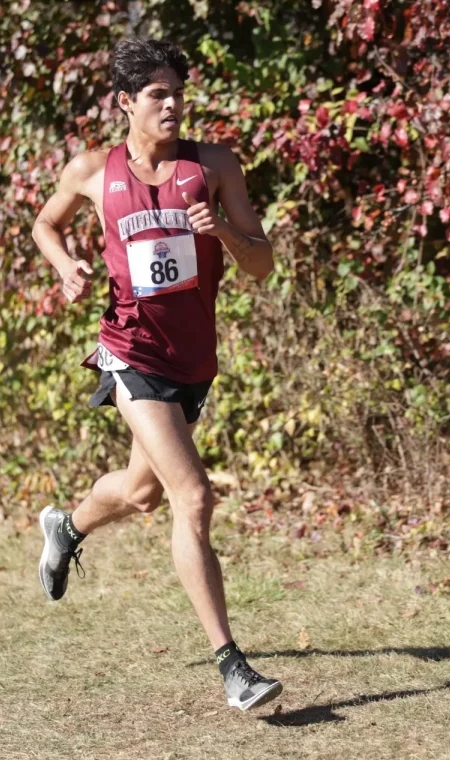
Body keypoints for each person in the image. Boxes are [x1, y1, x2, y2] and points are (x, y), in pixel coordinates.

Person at [31, 39, 281, 711]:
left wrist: (223, 229)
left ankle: (67, 529)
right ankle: (233, 666)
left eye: (177, 94)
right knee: (192, 496)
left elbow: (262, 264)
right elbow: (44, 225)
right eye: (156, 96)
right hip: (130, 351)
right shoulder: (92, 170)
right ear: (125, 104)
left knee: (142, 492)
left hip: (194, 359)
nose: (171, 106)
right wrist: (66, 267)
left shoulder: (215, 165)